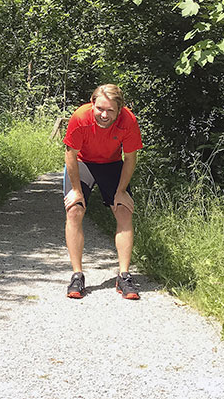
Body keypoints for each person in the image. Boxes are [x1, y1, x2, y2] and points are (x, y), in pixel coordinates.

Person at [62, 84, 143, 300]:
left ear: (119, 110)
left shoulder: (128, 121)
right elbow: (70, 154)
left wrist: (121, 191)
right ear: (92, 104)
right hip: (83, 162)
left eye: (110, 110)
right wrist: (76, 190)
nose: (104, 115)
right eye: (99, 109)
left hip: (112, 164)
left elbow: (130, 158)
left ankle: (124, 276)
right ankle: (77, 275)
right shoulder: (80, 117)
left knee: (124, 210)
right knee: (74, 210)